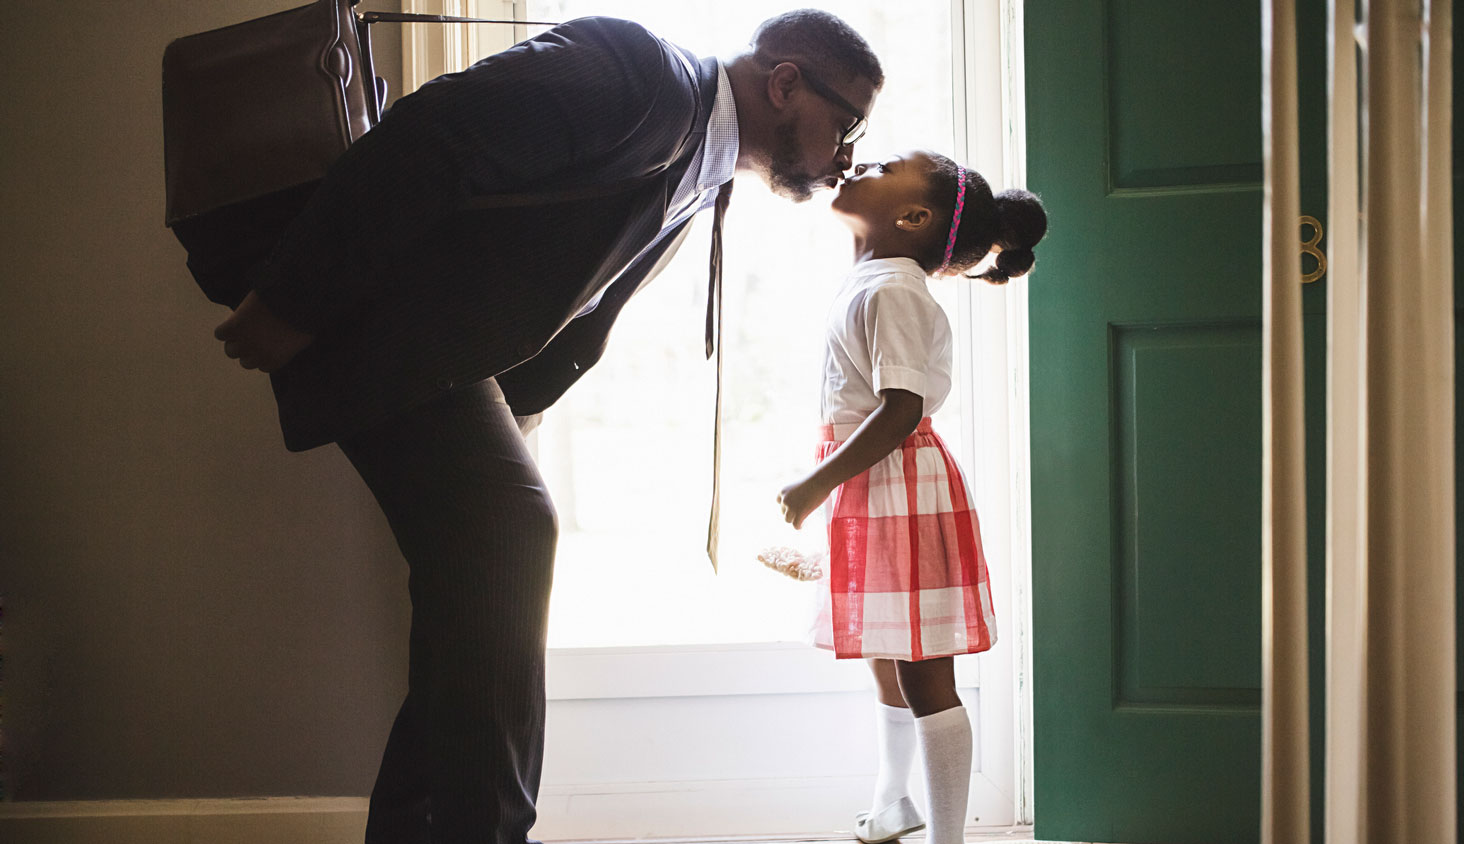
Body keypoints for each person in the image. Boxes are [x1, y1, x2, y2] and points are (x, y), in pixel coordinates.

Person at [210, 10, 883, 844]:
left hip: (436, 355)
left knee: (476, 598)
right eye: (846, 122)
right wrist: (291, 300)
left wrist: (512, 409)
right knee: (512, 533)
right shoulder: (642, 77)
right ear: (785, 82)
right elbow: (434, 136)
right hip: (384, 325)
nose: (847, 155)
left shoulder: (702, 168)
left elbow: (555, 290)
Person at [776, 150, 1047, 844]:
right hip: (877, 484)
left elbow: (901, 409)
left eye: (886, 163)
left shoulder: (893, 288)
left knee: (924, 673)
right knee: (886, 656)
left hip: (900, 485)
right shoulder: (872, 279)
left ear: (914, 216)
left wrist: (816, 483)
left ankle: (948, 837)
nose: (863, 160)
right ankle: (893, 802)